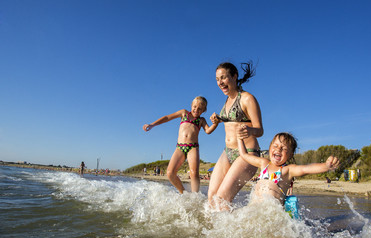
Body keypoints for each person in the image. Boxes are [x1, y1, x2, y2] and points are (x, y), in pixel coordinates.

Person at [208, 61, 263, 209]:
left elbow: (259, 130)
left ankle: (229, 231)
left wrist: (250, 130)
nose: (220, 82)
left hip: (247, 154)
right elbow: (231, 121)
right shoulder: (227, 100)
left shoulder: (246, 98)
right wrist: (218, 119)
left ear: (234, 76)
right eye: (218, 80)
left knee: (221, 199)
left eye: (224, 78)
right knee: (211, 198)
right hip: (228, 152)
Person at [238, 132, 340, 204]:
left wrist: (326, 166)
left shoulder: (288, 170)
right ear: (269, 148)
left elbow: (306, 168)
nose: (278, 149)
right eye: (275, 146)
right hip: (254, 209)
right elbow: (244, 155)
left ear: (290, 155)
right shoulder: (264, 163)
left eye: (284, 148)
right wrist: (239, 138)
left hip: (272, 214)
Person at [143, 96, 218, 193]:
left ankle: (195, 197)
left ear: (204, 110)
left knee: (194, 173)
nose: (196, 110)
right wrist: (152, 124)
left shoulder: (201, 120)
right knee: (170, 173)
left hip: (193, 148)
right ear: (191, 105)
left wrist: (215, 123)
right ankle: (183, 192)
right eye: (194, 107)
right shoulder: (183, 113)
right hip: (180, 147)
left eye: (200, 109)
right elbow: (167, 118)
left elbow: (208, 131)